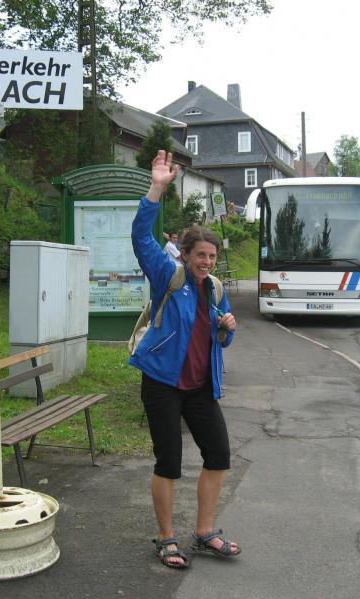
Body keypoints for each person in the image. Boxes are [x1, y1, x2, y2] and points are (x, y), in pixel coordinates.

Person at [129, 150, 240, 569]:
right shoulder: (168, 276)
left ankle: (204, 533)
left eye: (212, 257)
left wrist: (227, 328)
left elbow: (222, 339)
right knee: (169, 462)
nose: (206, 262)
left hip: (199, 386)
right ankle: (165, 538)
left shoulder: (215, 288)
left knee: (219, 454)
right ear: (185, 254)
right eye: (200, 255)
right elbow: (141, 238)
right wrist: (156, 188)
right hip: (162, 383)